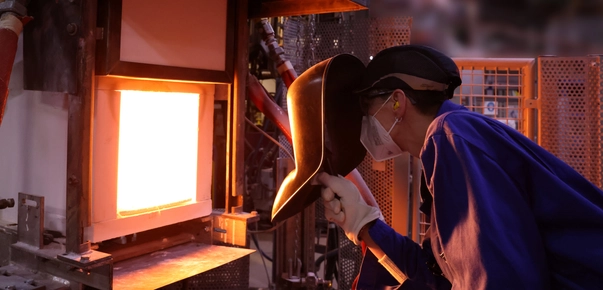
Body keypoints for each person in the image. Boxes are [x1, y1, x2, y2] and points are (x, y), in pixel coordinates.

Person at [317, 44, 603, 289]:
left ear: (396, 102)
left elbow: (498, 279)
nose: (364, 123)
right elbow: (437, 278)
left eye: (367, 108)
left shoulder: (452, 137)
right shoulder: (452, 142)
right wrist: (363, 223)